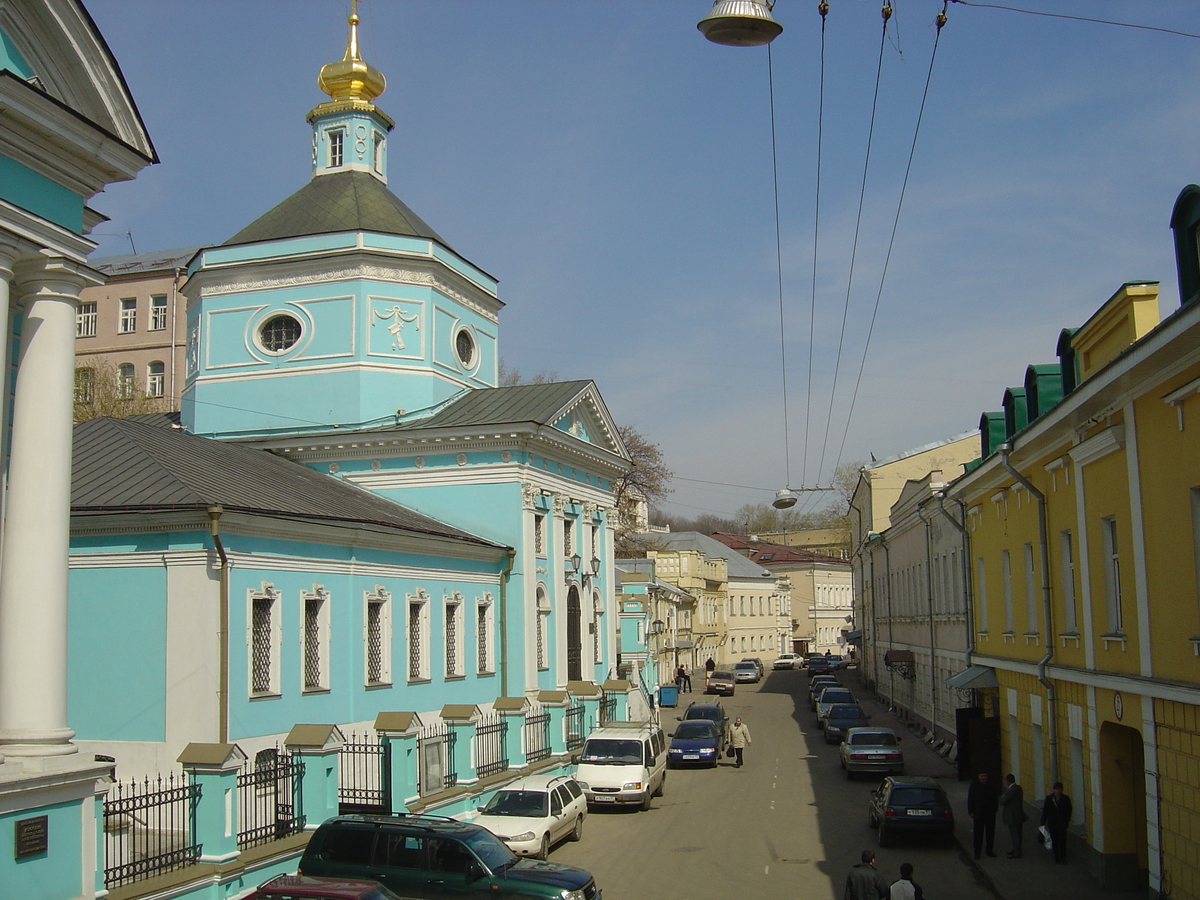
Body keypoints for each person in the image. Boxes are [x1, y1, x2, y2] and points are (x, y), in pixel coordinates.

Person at [967, 770, 999, 860]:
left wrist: (994, 810)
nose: (984, 778)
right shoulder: (974, 785)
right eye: (982, 776)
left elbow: (995, 799)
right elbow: (970, 798)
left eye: (985, 776)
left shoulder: (991, 785)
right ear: (978, 776)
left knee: (990, 833)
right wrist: (971, 811)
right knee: (978, 834)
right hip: (978, 814)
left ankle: (989, 850)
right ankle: (977, 852)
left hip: (990, 814)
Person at [1040, 781, 1073, 864]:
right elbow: (1045, 812)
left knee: (1062, 841)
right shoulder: (1049, 799)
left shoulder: (1065, 799)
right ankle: (1057, 857)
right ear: (1054, 790)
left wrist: (1066, 821)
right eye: (1056, 789)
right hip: (1053, 824)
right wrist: (1042, 824)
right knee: (1055, 841)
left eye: (1059, 789)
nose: (1058, 791)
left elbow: (1069, 810)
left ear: (1062, 790)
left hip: (1062, 824)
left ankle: (1063, 857)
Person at [999, 773, 1027, 858]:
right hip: (1019, 815)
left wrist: (1003, 796)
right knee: (1018, 833)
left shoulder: (1010, 790)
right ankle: (1016, 849)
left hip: (1012, 816)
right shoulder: (1018, 788)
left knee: (1014, 834)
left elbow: (1002, 801)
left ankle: (1017, 851)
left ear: (1007, 781)